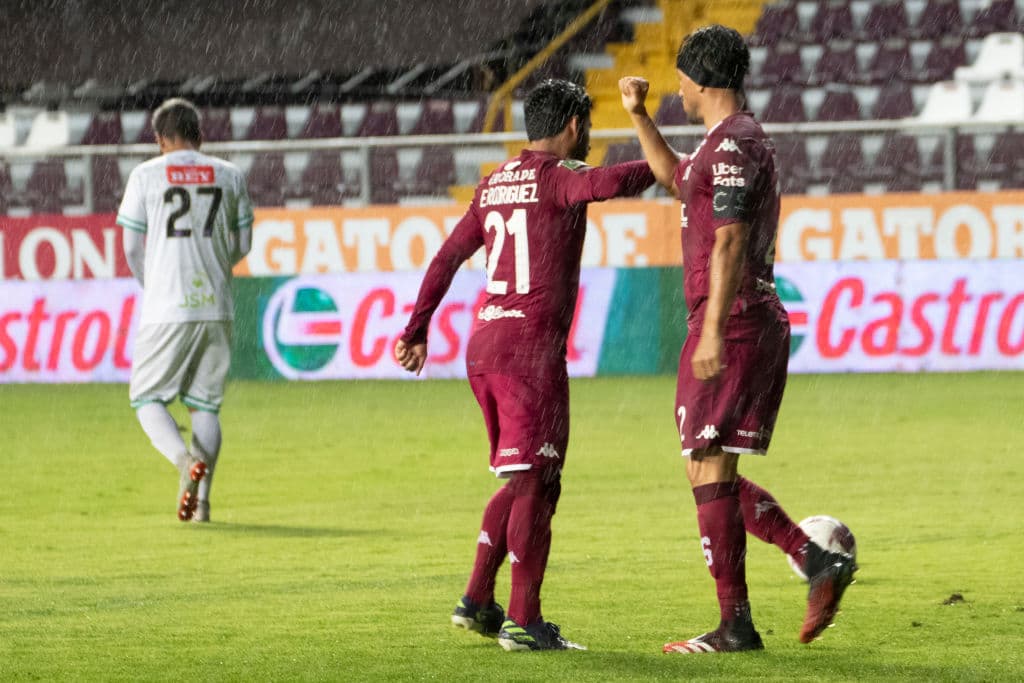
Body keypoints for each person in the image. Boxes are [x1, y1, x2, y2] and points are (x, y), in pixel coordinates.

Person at [618, 25, 857, 653]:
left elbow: (726, 238)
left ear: (700, 80)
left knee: (707, 467)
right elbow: (675, 178)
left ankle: (740, 622)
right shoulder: (723, 144)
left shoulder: (735, 143)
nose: (677, 89)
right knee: (707, 472)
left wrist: (715, 329)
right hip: (741, 316)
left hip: (737, 318)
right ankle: (805, 565)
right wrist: (641, 117)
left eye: (680, 80)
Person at [395, 79, 654, 652]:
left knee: (526, 479)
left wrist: (416, 328)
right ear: (572, 127)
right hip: (529, 352)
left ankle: (477, 600)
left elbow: (447, 256)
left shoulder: (493, 184)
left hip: (485, 346)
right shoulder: (557, 177)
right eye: (583, 127)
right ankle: (524, 621)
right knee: (538, 482)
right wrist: (667, 164)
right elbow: (610, 181)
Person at [117, 97, 254, 523]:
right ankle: (204, 504)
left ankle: (182, 461)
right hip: (216, 305)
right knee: (206, 406)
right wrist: (215, 269)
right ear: (201, 135)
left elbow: (130, 245)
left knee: (145, 396)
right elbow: (244, 244)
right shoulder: (230, 174)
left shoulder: (145, 175)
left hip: (166, 306)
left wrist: (153, 282)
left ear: (159, 140)